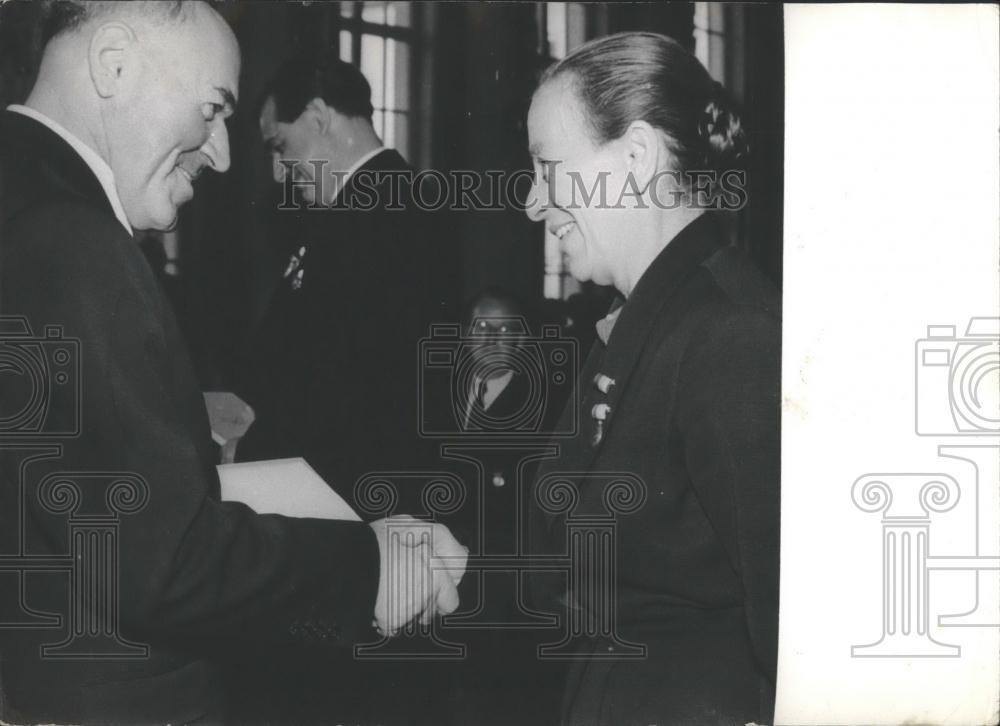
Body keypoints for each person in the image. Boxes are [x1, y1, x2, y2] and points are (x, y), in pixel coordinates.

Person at [0, 3, 461, 724]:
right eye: (211, 111)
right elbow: (167, 563)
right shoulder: (74, 242)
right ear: (114, 64)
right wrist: (373, 564)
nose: (222, 155)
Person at [523, 32, 781, 725]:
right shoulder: (651, 318)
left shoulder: (730, 335)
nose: (532, 202)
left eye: (548, 166)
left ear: (635, 157)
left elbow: (790, 632)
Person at [235, 52, 452, 516]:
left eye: (280, 145)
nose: (279, 169)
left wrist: (246, 455)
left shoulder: (377, 218)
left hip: (354, 499)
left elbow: (336, 388)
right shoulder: (369, 208)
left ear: (317, 117)